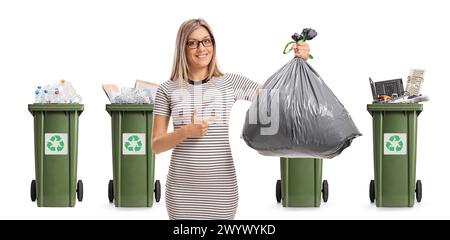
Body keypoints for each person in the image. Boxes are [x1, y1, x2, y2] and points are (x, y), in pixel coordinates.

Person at [151, 18, 310, 220]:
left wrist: (299, 63)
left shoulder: (230, 83)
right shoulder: (167, 89)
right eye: (193, 42)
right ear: (182, 47)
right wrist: (185, 132)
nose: (201, 48)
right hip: (182, 193)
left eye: (207, 41)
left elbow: (277, 96)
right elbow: (156, 145)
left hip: (221, 190)